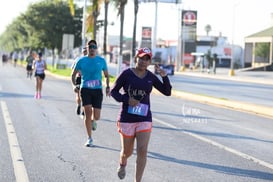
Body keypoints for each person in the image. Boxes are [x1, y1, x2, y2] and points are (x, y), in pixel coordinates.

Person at [110, 47, 172, 181]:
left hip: (144, 118)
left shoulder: (151, 77)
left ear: (149, 62)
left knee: (142, 150)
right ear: (135, 58)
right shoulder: (126, 74)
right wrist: (127, 100)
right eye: (141, 58)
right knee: (127, 152)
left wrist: (164, 76)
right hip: (127, 118)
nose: (144, 61)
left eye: (147, 59)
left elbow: (167, 92)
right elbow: (113, 92)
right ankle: (122, 162)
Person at [71, 40, 110, 147]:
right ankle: (89, 138)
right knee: (87, 113)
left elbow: (106, 75)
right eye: (90, 47)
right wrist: (74, 86)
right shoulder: (81, 61)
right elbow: (73, 75)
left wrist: (107, 86)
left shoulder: (101, 61)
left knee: (96, 116)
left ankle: (93, 120)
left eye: (94, 47)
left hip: (97, 90)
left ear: (96, 48)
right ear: (87, 48)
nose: (92, 48)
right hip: (85, 90)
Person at [71, 47, 88, 115]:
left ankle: (84, 109)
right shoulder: (78, 59)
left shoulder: (90, 60)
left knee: (84, 95)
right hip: (79, 78)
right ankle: (78, 105)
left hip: (87, 79)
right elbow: (72, 68)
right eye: (84, 52)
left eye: (86, 51)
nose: (85, 53)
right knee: (78, 94)